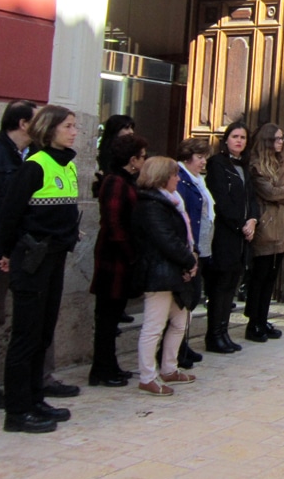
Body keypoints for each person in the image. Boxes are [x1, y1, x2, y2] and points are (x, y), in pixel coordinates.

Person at [0, 99, 63, 410]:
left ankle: (42, 378)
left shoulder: (35, 158)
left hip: (31, 253)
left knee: (39, 317)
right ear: (23, 124)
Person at [0, 105, 81, 433]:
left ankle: (35, 398)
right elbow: (9, 216)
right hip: (32, 260)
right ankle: (17, 412)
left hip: (56, 258)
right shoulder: (34, 165)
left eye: (75, 126)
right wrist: (7, 252)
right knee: (26, 334)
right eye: (68, 126)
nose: (74, 131)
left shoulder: (67, 165)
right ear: (50, 129)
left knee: (43, 333)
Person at [132, 157, 199, 396]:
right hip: (159, 271)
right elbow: (166, 240)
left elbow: (182, 235)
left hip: (175, 270)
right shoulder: (150, 205)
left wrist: (191, 257)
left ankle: (170, 367)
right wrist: (189, 259)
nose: (178, 179)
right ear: (162, 177)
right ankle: (147, 376)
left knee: (181, 321)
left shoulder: (172, 201)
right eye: (174, 175)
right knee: (154, 325)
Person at [89, 133, 148, 387]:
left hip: (122, 257)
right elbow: (114, 222)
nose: (145, 161)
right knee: (107, 317)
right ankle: (101, 369)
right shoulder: (115, 182)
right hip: (114, 258)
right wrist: (131, 253)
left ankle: (109, 365)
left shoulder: (127, 181)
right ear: (132, 160)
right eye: (143, 157)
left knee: (112, 316)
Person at [203, 121, 259, 354]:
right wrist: (240, 224)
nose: (239, 141)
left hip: (243, 234)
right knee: (220, 285)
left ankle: (224, 331)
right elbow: (221, 201)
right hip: (225, 233)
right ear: (226, 139)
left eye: (243, 138)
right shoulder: (217, 164)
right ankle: (214, 334)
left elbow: (252, 198)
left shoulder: (245, 166)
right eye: (235, 136)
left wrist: (253, 220)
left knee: (231, 285)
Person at [246, 123, 284, 343]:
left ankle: (263, 317)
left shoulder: (282, 163)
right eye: (277, 139)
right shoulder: (256, 165)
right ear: (268, 140)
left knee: (272, 277)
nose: (281, 142)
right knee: (260, 276)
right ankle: (253, 321)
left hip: (283, 224)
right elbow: (267, 192)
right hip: (266, 224)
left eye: (282, 138)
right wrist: (283, 191)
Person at [175, 137, 213, 365]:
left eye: (204, 157)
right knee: (183, 299)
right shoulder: (181, 181)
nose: (203, 162)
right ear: (187, 157)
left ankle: (183, 343)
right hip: (191, 247)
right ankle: (174, 349)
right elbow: (184, 216)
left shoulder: (198, 180)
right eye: (199, 157)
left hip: (203, 246)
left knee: (192, 297)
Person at [91, 114, 136, 198]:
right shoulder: (105, 153)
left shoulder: (134, 151)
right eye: (126, 128)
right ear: (115, 130)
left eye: (132, 128)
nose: (131, 132)